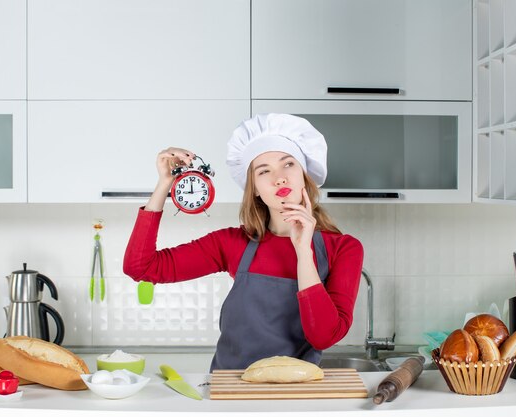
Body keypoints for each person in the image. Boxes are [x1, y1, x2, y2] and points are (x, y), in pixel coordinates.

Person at [123, 113, 364, 371]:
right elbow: (141, 267)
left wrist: (303, 251)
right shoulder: (232, 242)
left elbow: (324, 336)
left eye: (288, 164)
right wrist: (165, 184)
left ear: (304, 174)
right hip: (229, 388)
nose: (279, 177)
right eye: (264, 170)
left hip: (295, 394)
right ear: (256, 189)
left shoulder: (343, 249)